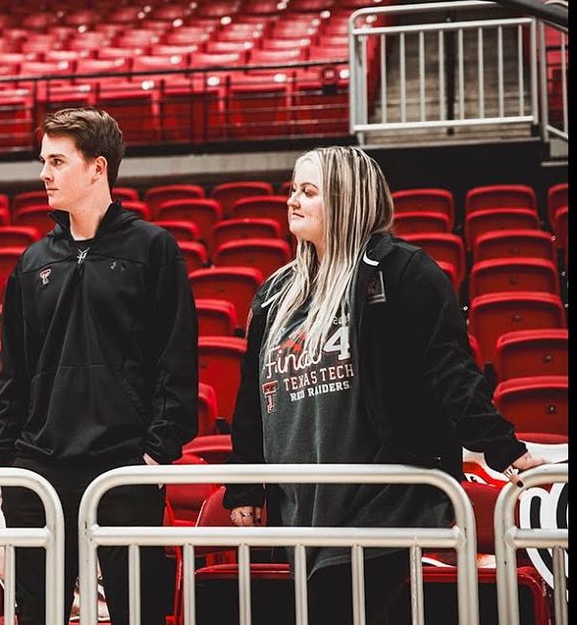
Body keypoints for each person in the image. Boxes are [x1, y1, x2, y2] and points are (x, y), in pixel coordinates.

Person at [223, 146, 548, 625]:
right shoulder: (275, 292)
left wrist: (504, 448)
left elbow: (449, 368)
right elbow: (251, 400)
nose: (292, 200)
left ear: (347, 200)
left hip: (382, 505)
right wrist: (242, 486)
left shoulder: (402, 272)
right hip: (301, 508)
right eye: (293, 190)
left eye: (308, 192)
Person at [0, 107, 199, 625]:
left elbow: (178, 357)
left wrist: (155, 452)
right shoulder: (34, 261)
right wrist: (11, 458)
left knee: (138, 614)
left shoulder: (153, 249)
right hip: (39, 468)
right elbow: (14, 369)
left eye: (57, 161)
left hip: (124, 464)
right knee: (40, 616)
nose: (44, 174)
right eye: (44, 161)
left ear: (98, 168)